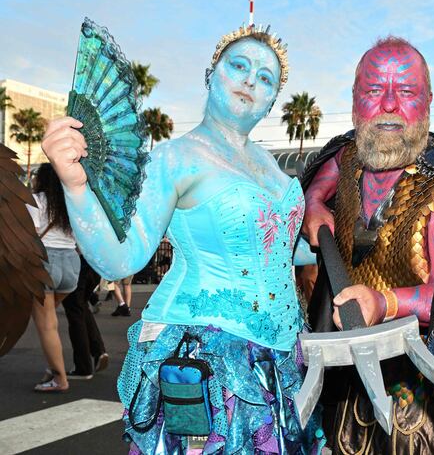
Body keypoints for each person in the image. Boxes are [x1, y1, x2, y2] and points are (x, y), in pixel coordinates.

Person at [42, 24, 324, 453]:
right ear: (211, 74)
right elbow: (121, 261)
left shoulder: (269, 163)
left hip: (284, 357)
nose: (251, 80)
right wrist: (76, 186)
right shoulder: (175, 158)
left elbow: (281, 249)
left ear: (271, 102)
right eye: (240, 66)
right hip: (206, 357)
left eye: (266, 78)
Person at [301, 36, 434, 453]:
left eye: (405, 91)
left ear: (427, 101)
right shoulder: (348, 156)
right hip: (346, 377)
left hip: (416, 396)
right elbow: (320, 180)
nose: (389, 104)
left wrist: (382, 302)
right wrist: (315, 203)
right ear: (356, 101)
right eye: (374, 90)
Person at [26, 163, 80, 392]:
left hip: (45, 261)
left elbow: (31, 232)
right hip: (71, 263)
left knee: (47, 325)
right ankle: (53, 366)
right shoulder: (71, 203)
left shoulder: (35, 200)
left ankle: (60, 379)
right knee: (52, 321)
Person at [61, 252, 109, 379]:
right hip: (94, 267)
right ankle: (99, 351)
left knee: (75, 312)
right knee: (82, 308)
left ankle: (83, 366)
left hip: (77, 266)